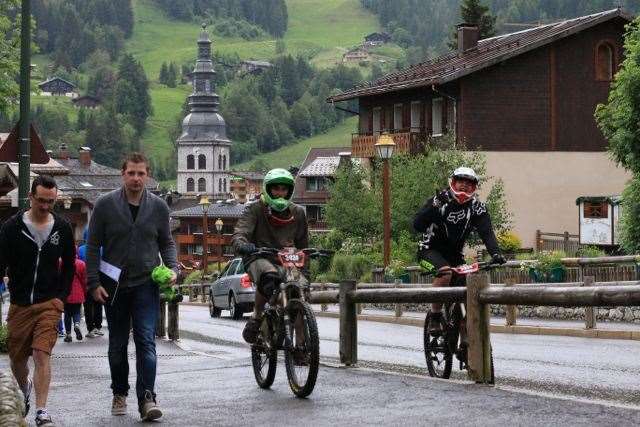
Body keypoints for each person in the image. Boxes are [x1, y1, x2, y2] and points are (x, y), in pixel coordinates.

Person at [85, 152, 177, 421]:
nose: (136, 178)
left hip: (146, 284)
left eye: (141, 173)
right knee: (116, 344)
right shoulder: (104, 205)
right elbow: (92, 246)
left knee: (146, 340)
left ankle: (147, 398)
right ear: (122, 174)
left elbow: (167, 243)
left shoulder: (159, 207)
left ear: (147, 175)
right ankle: (119, 392)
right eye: (131, 173)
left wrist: (173, 268)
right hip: (113, 287)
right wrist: (92, 283)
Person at [0, 175, 75, 426]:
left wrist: (61, 298)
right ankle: (25, 387)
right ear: (31, 197)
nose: (45, 206)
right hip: (20, 303)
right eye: (41, 200)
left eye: (50, 202)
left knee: (41, 353)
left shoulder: (62, 228)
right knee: (17, 359)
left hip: (48, 302)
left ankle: (42, 411)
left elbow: (69, 267)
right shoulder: (12, 227)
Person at [413, 167, 506, 337]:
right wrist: (434, 206)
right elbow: (417, 225)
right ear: (453, 183)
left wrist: (495, 253)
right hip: (429, 251)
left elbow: (487, 232)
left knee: (469, 282)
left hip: (455, 255)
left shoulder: (477, 208)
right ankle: (435, 315)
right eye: (460, 181)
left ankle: (465, 331)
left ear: (474, 187)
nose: (464, 186)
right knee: (445, 273)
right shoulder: (439, 200)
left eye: (469, 183)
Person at [232, 168, 309, 344]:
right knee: (269, 275)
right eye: (276, 189)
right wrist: (243, 245)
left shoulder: (298, 212)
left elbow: (304, 246)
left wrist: (306, 268)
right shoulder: (254, 209)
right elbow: (240, 233)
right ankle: (257, 315)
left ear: (289, 191)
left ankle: (302, 348)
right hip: (259, 255)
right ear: (268, 189)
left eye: (284, 189)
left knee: (300, 293)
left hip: (287, 259)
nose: (280, 193)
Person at [78, 228, 104, 338]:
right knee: (98, 302)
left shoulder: (80, 249)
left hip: (86, 280)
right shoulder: (102, 249)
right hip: (99, 279)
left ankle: (90, 328)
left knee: (88, 305)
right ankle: (98, 326)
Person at [62, 248, 87, 343]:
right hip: (78, 291)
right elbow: (84, 280)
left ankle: (68, 334)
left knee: (67, 313)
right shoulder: (81, 264)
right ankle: (76, 324)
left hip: (66, 292)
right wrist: (84, 291)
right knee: (77, 311)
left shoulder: (62, 263)